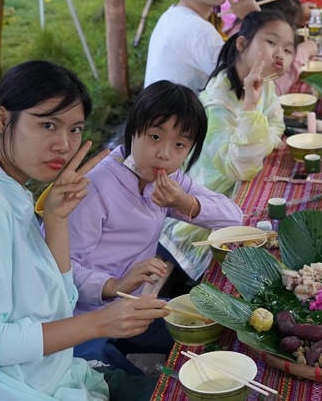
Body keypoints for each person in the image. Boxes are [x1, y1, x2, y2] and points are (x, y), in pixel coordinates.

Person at [0, 61, 169, 401]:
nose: (64, 145)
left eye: (75, 129)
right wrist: (100, 323)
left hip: (52, 375)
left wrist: (56, 220)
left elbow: (58, 302)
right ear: (2, 119)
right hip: (10, 390)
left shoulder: (0, 191)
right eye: (48, 124)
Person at [66, 81, 242, 373]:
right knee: (142, 389)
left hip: (132, 308)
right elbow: (61, 269)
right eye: (155, 137)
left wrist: (185, 202)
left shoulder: (167, 181)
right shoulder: (95, 187)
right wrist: (114, 286)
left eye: (180, 145)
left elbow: (233, 217)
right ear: (134, 129)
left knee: (218, 327)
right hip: (84, 323)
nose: (164, 154)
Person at [161, 11, 290, 279]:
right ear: (242, 44)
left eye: (288, 49)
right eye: (271, 42)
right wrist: (251, 107)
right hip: (198, 221)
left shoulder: (263, 84)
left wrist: (260, 144)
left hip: (234, 198)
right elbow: (241, 169)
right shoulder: (216, 104)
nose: (280, 54)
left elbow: (277, 125)